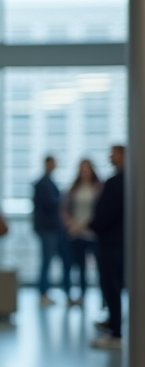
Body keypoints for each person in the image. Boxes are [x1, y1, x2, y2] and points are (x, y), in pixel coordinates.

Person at [89, 145, 125, 349]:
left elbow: (106, 214)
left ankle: (116, 331)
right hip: (117, 240)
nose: (110, 157)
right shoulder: (122, 180)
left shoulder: (115, 182)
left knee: (111, 284)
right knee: (112, 285)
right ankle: (114, 323)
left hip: (110, 241)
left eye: (113, 153)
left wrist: (91, 225)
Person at [62, 158, 102, 308]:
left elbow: (101, 210)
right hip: (75, 232)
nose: (84, 171)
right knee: (80, 267)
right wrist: (70, 224)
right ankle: (82, 296)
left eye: (87, 168)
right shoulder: (73, 189)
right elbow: (64, 208)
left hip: (92, 232)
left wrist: (88, 224)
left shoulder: (98, 188)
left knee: (100, 267)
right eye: (82, 168)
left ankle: (104, 299)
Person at [32, 155, 71, 307]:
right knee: (46, 262)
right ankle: (43, 292)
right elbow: (51, 203)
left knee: (64, 260)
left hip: (55, 228)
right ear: (47, 164)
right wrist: (63, 198)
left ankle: (65, 292)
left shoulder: (48, 182)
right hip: (48, 229)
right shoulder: (43, 184)